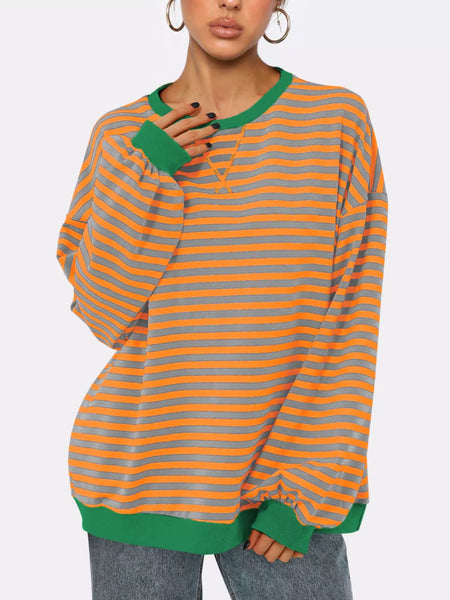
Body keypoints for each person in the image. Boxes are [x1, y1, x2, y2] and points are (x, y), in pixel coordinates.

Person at [56, 0, 388, 598]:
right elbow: (103, 313)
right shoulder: (121, 136)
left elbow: (351, 317)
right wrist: (148, 173)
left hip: (280, 483)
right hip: (137, 476)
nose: (229, 2)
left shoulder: (336, 123)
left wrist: (306, 488)